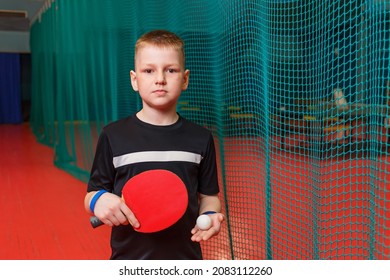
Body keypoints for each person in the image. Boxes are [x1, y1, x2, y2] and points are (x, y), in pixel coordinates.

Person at [84, 30, 224, 260]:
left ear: (185, 79)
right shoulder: (113, 135)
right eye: (148, 70)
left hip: (185, 260)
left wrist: (210, 214)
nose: (160, 78)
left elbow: (209, 196)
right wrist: (99, 200)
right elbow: (91, 195)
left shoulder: (201, 138)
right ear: (134, 79)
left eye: (171, 70)